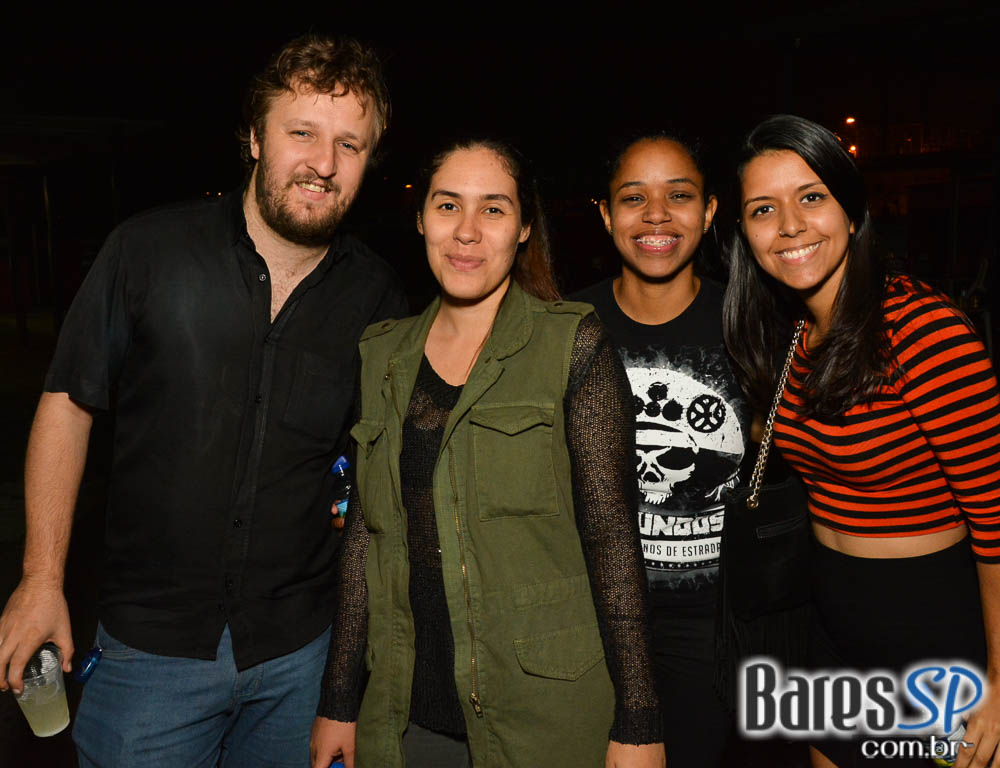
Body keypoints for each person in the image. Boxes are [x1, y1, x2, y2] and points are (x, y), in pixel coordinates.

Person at [0, 33, 407, 767]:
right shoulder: (146, 252)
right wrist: (40, 579)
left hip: (299, 658)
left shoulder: (379, 298)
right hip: (149, 658)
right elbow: (68, 401)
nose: (323, 163)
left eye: (350, 144)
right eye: (302, 133)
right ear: (254, 138)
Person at [309, 138, 666, 768]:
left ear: (524, 227)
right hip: (406, 716)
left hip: (543, 719)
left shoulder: (573, 345)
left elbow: (612, 538)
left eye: (494, 210)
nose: (467, 233)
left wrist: (638, 722)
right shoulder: (382, 354)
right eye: (448, 206)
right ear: (420, 217)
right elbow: (365, 535)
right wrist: (339, 700)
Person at [723, 114, 1000, 768]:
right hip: (832, 628)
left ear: (852, 211)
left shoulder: (924, 334)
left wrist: (999, 683)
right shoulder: (789, 336)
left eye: (811, 197)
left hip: (933, 636)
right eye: (765, 208)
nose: (789, 224)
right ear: (745, 234)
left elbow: (997, 526)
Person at [572, 133, 751, 767]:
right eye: (633, 197)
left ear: (708, 212)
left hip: (712, 630)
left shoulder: (752, 322)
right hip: (591, 624)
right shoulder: (566, 326)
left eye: (678, 196)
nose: (655, 215)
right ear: (604, 214)